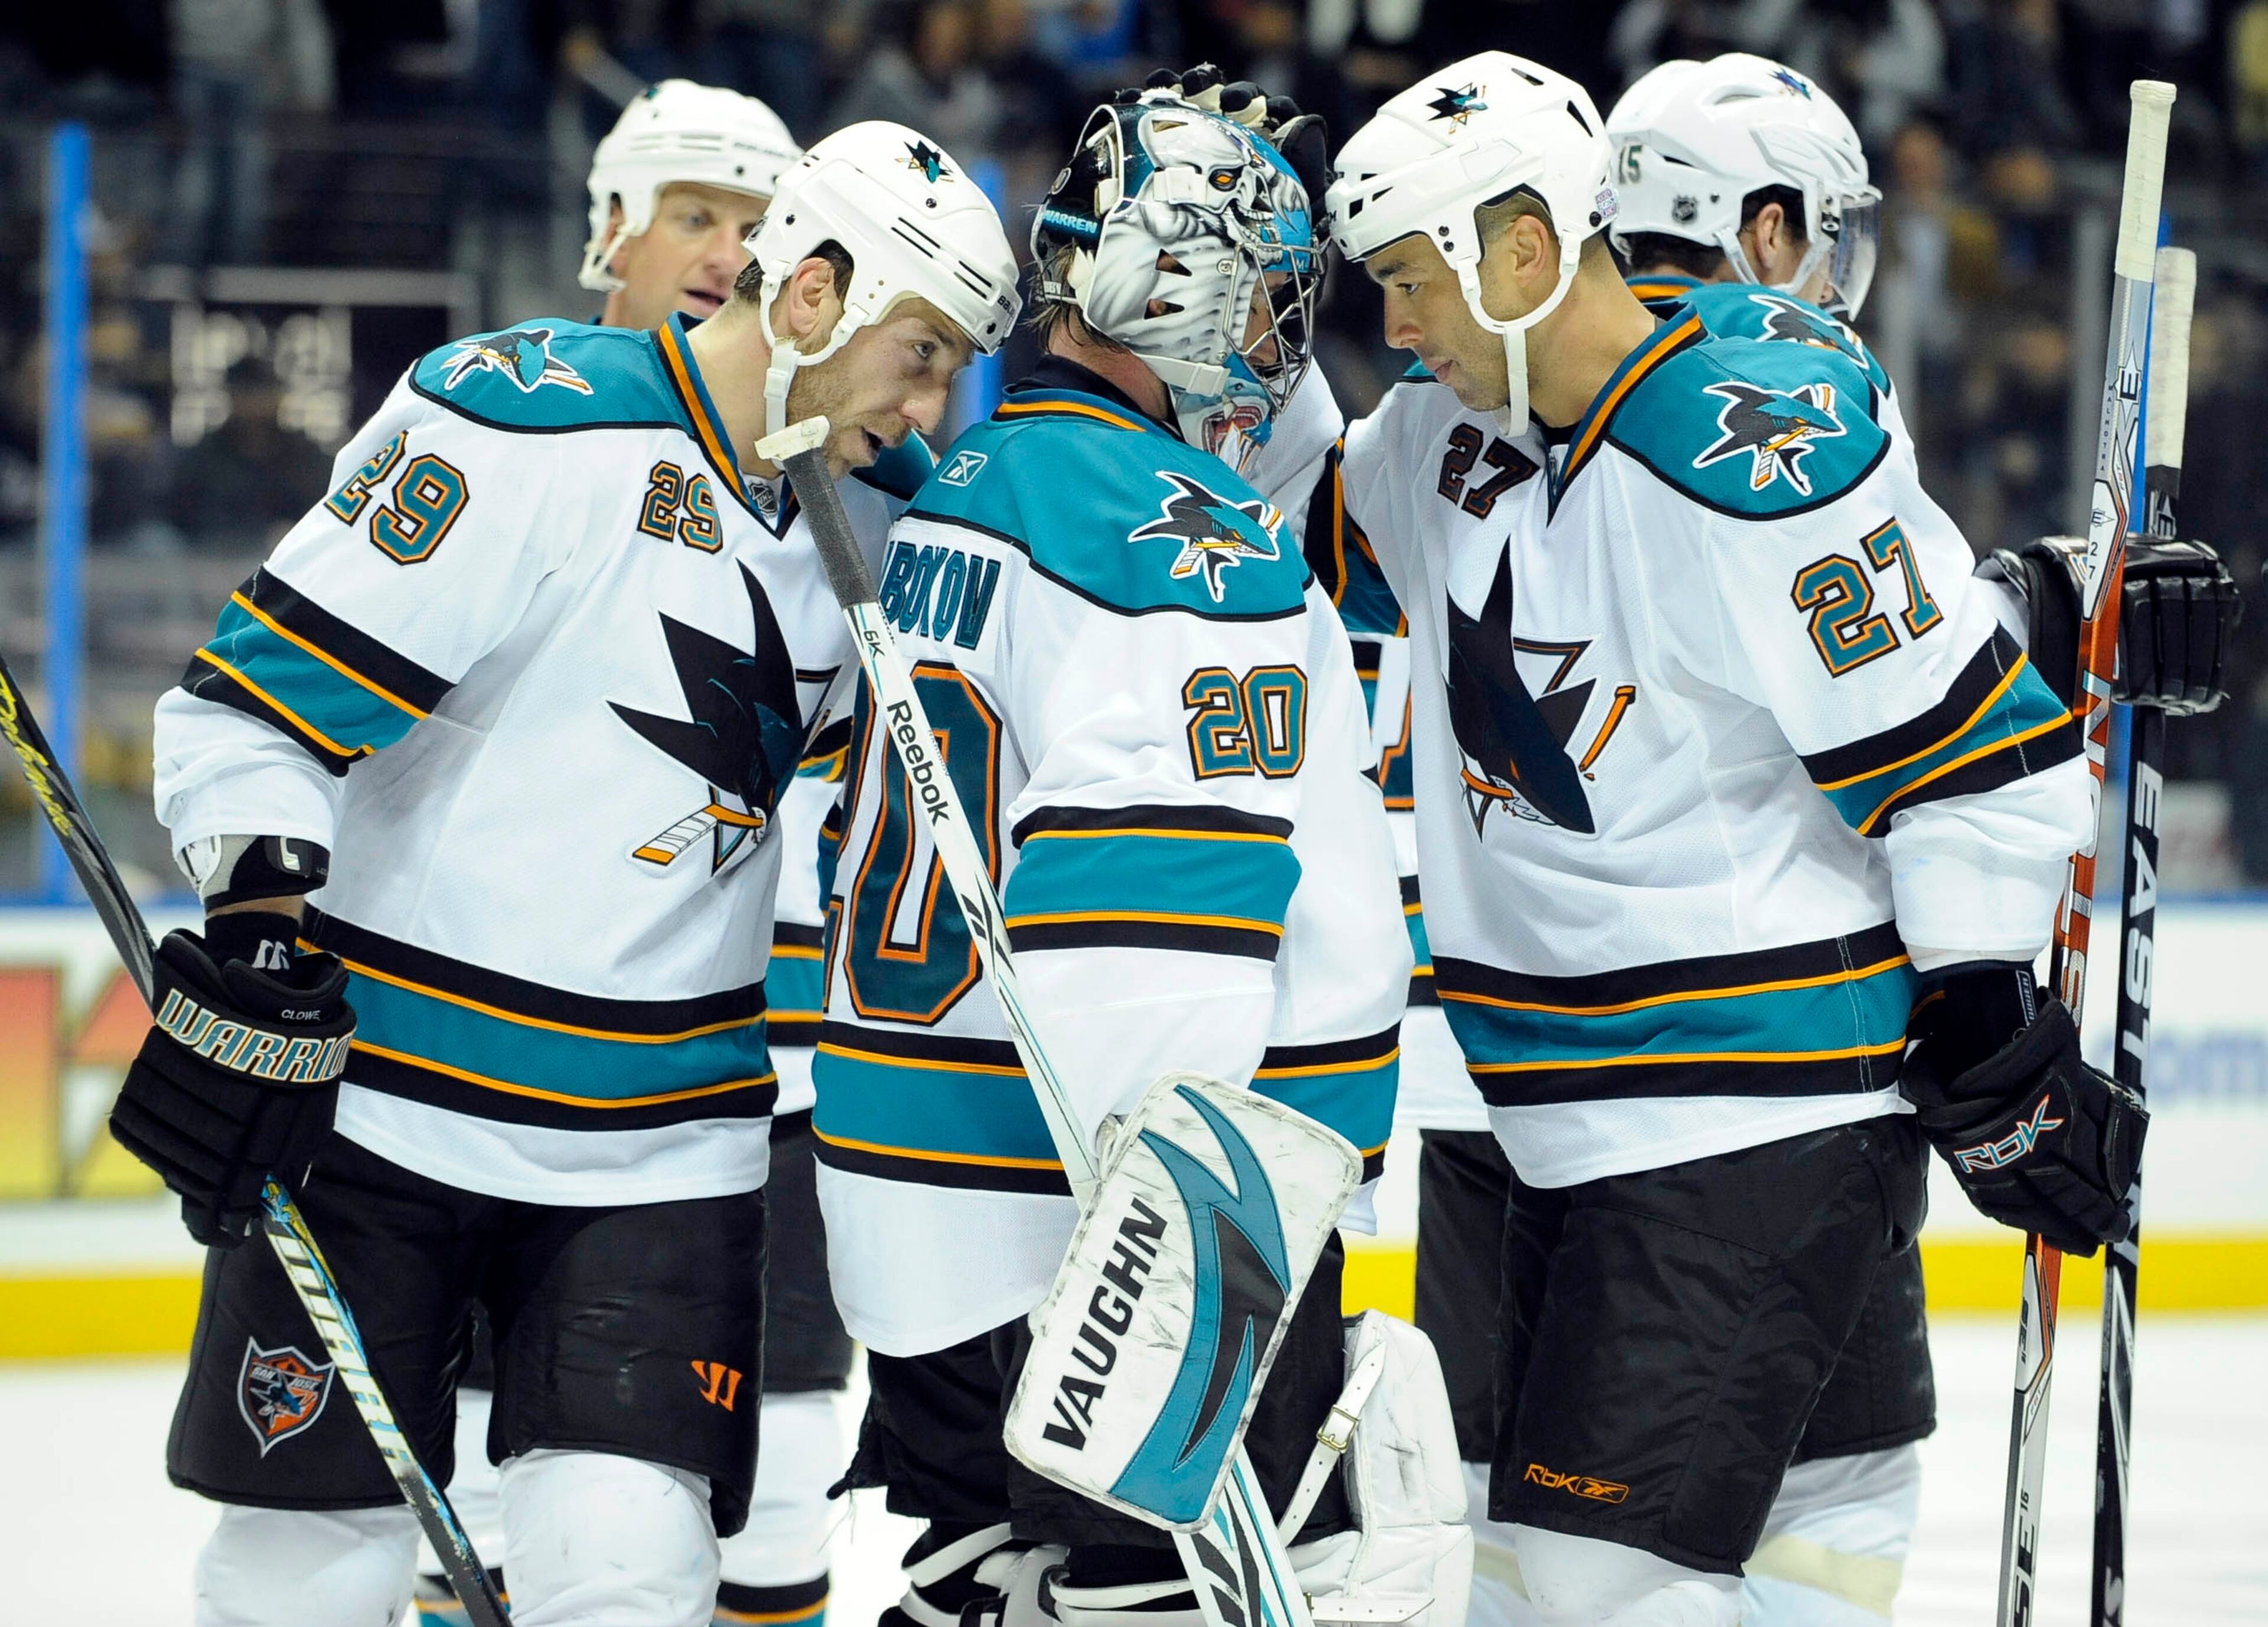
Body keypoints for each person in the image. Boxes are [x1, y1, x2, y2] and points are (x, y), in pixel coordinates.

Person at [115, 120, 1019, 1627]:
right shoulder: (523, 423)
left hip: (666, 1148)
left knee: (630, 1572)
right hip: (387, 1114)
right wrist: (263, 932)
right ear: (812, 295)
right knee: (303, 1576)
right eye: (921, 353)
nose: (932, 405)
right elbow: (248, 711)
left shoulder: (885, 515)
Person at [1318, 50, 2143, 1625]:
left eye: (1413, 282)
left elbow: (1964, 749)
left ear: (1524, 251)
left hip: (1748, 1109)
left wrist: (1985, 1012)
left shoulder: (1749, 454)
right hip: (1559, 1113)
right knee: (1560, 1565)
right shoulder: (1438, 439)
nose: (1398, 329)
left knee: (1594, 1579)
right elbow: (1277, 540)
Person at [809, 84, 1464, 1623]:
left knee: (986, 1584)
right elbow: (1142, 946)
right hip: (1124, 1239)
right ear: (1191, 291)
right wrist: (1177, 1291)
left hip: (921, 1214)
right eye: (1272, 298)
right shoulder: (1177, 543)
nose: (1284, 342)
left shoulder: (977, 488)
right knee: (1205, 1590)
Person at [413, 79, 882, 1627]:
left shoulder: (865, 487)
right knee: (476, 1500)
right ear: (607, 227)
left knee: (779, 1483)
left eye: (754, 225)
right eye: (691, 214)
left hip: (769, 1075)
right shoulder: (515, 430)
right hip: (493, 1070)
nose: (723, 252)